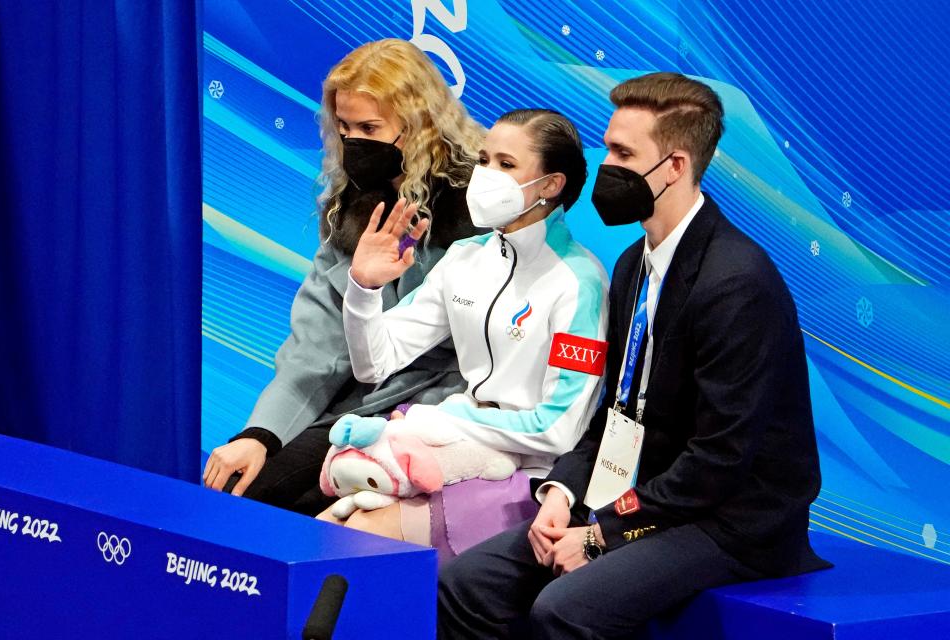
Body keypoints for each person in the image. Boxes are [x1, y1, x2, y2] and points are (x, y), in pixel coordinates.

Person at [438, 72, 830, 639]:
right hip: (643, 497)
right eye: (609, 147)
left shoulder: (736, 283)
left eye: (624, 153)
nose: (607, 166)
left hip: (730, 521)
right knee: (469, 582)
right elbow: (614, 411)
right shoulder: (631, 265)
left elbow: (719, 461)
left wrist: (599, 534)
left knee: (564, 608)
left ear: (674, 166)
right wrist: (562, 493)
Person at [202, 39, 484, 514]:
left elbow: (481, 357)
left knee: (298, 508)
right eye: (345, 128)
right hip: (356, 405)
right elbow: (318, 342)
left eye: (370, 127)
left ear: (419, 126)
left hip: (438, 413)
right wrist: (262, 434)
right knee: (241, 491)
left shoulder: (477, 209)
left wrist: (398, 430)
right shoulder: (349, 206)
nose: (355, 143)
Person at [319, 109, 609, 560]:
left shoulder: (579, 281)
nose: (486, 175)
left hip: (529, 476)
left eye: (507, 165)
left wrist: (441, 420)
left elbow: (558, 430)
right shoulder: (465, 257)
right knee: (325, 529)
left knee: (355, 538)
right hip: (447, 450)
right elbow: (376, 361)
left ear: (551, 186)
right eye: (484, 160)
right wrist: (364, 289)